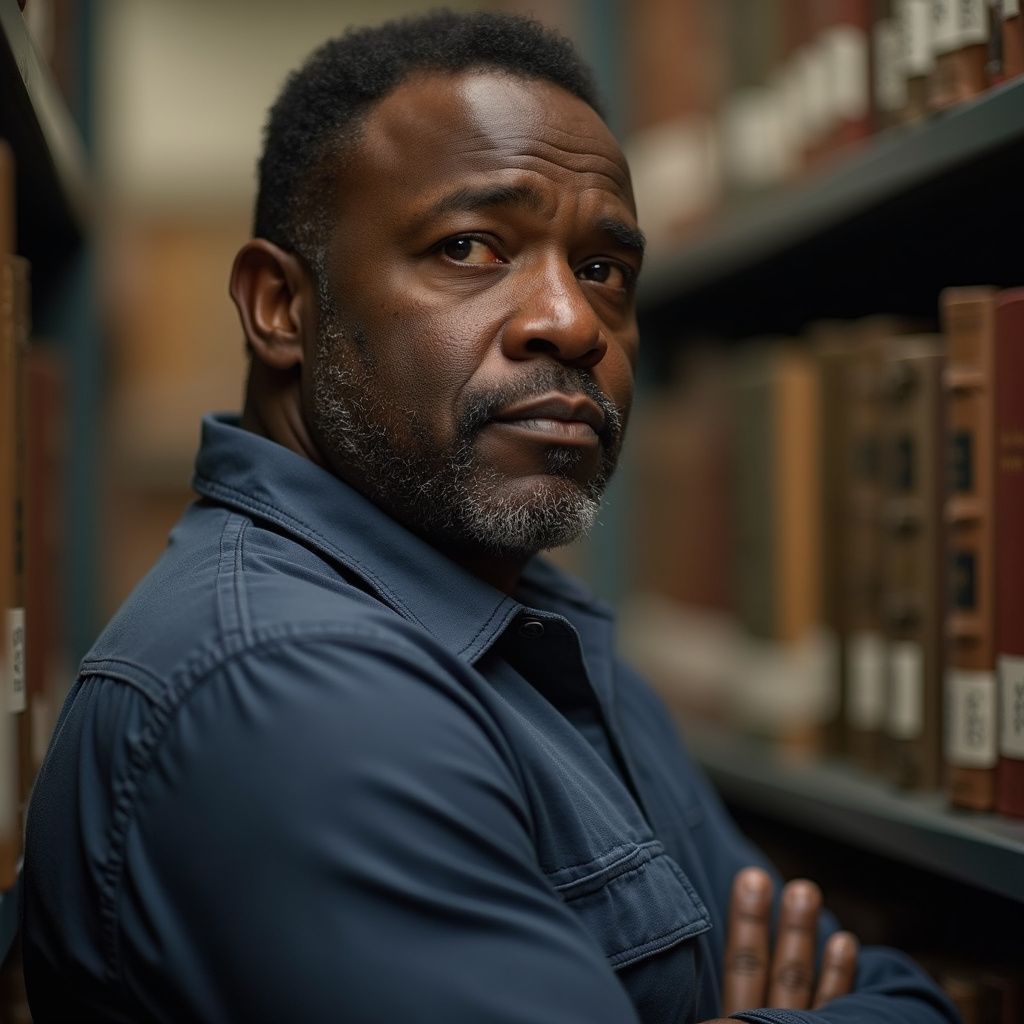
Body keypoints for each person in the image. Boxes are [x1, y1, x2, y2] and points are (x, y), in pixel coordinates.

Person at [22, 11, 958, 1024]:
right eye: (470, 247)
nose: (572, 321)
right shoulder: (290, 687)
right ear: (280, 306)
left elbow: (908, 1000)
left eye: (603, 269)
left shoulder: (532, 630)